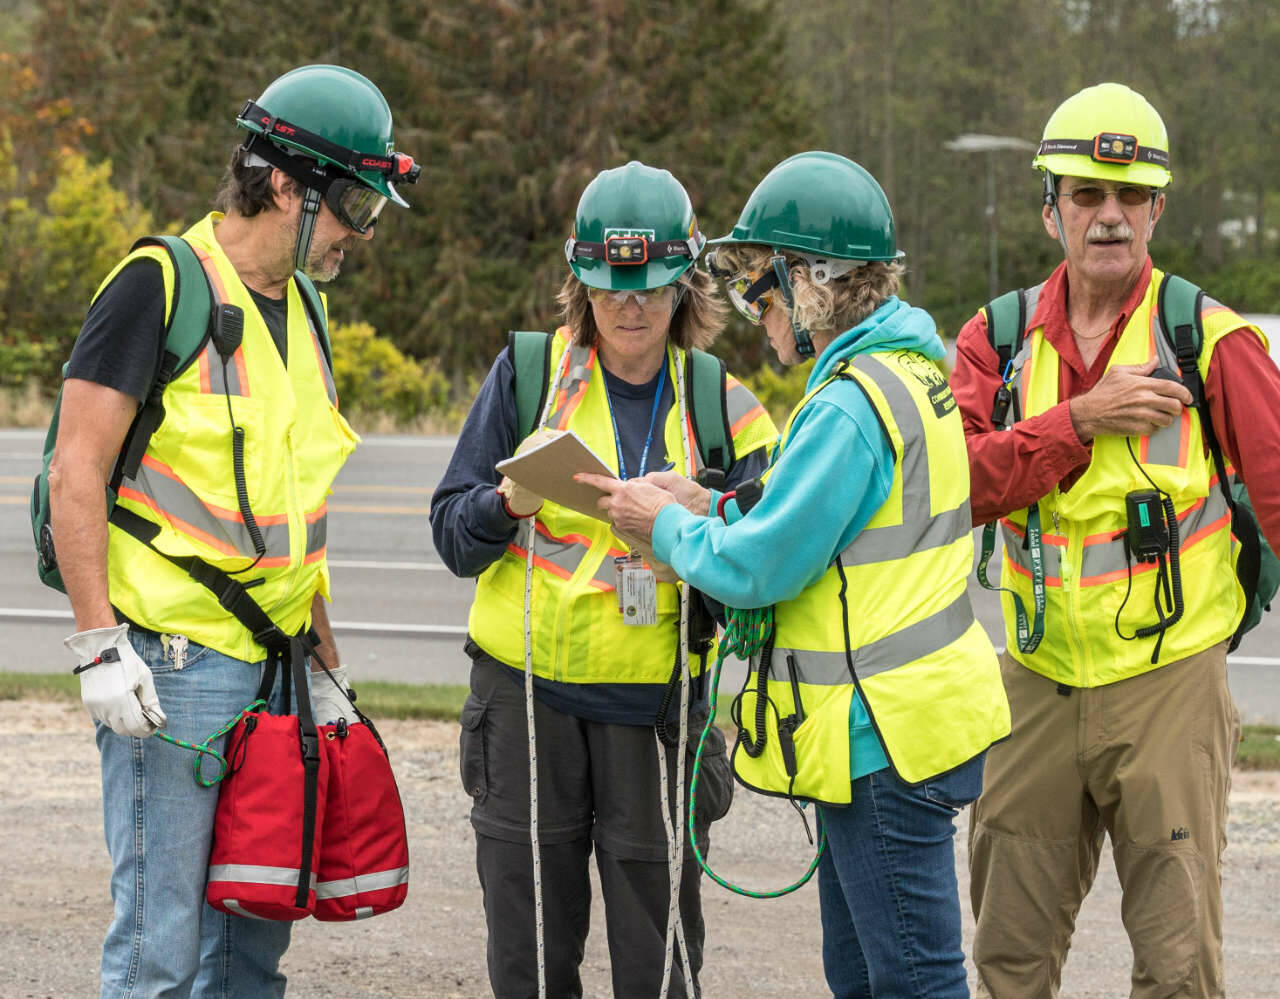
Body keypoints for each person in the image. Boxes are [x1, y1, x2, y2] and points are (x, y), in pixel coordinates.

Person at [586, 150, 1011, 999]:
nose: (755, 311)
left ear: (815, 282)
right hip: (903, 726)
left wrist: (659, 524)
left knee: (914, 981)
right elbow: (811, 520)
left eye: (764, 289)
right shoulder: (906, 374)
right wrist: (706, 503)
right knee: (860, 975)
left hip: (882, 737)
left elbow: (763, 566)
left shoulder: (852, 402)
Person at [49, 64, 418, 997]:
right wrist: (99, 644)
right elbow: (76, 467)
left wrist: (328, 673)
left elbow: (297, 514)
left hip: (279, 668)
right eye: (352, 208)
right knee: (163, 948)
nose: (359, 236)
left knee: (252, 938)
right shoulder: (157, 284)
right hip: (171, 671)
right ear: (287, 184)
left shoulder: (308, 310)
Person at [951, 82, 1280, 998]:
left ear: (1157, 208)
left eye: (1129, 197)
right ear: (1049, 205)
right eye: (1086, 195)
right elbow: (959, 487)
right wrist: (1077, 421)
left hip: (1169, 688)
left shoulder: (1211, 341)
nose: (1109, 216)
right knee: (1009, 960)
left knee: (1178, 969)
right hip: (1035, 679)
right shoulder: (998, 339)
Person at [430, 160, 776, 998]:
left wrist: (709, 509)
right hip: (525, 706)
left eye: (651, 287)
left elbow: (772, 548)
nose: (630, 305)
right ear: (580, 281)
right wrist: (505, 502)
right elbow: (451, 532)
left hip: (654, 713)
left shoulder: (718, 401)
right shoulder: (527, 377)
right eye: (611, 286)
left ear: (685, 284)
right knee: (531, 961)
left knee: (658, 967)